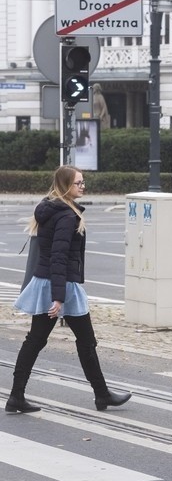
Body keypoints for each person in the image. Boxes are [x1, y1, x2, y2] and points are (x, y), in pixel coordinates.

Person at [6, 166, 132, 413]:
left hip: (52, 282)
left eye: (83, 182)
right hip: (61, 285)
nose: (83, 187)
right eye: (78, 183)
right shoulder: (65, 215)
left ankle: (17, 396)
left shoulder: (51, 208)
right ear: (65, 186)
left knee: (38, 340)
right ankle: (101, 394)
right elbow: (59, 256)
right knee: (82, 341)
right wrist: (59, 297)